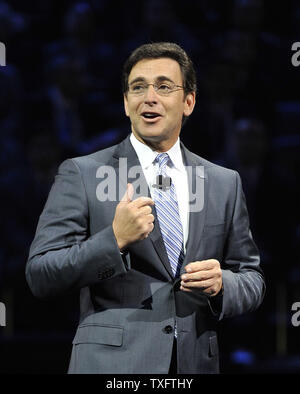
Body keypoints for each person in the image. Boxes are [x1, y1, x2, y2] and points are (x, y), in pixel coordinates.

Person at [26, 42, 265, 374]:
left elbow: (252, 278)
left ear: (189, 102)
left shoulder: (224, 182)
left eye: (164, 87)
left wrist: (223, 284)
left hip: (192, 365)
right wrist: (114, 239)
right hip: (112, 367)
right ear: (126, 103)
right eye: (138, 87)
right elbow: (41, 274)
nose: (149, 97)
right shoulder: (83, 173)